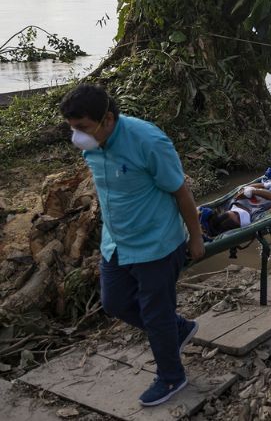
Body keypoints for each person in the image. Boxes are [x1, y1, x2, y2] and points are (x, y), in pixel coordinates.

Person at [59, 84, 205, 407]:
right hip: (117, 243)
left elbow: (181, 190)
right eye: (72, 129)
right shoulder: (93, 144)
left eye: (81, 128)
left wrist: (195, 238)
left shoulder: (147, 141)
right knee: (114, 302)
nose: (77, 137)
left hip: (157, 243)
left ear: (107, 119)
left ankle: (172, 376)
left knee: (155, 314)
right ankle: (176, 330)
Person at [206, 183, 271, 235]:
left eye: (235, 212)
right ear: (239, 225)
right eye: (238, 217)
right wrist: (254, 192)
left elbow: (247, 187)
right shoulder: (257, 217)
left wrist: (269, 185)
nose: (239, 212)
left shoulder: (232, 203)